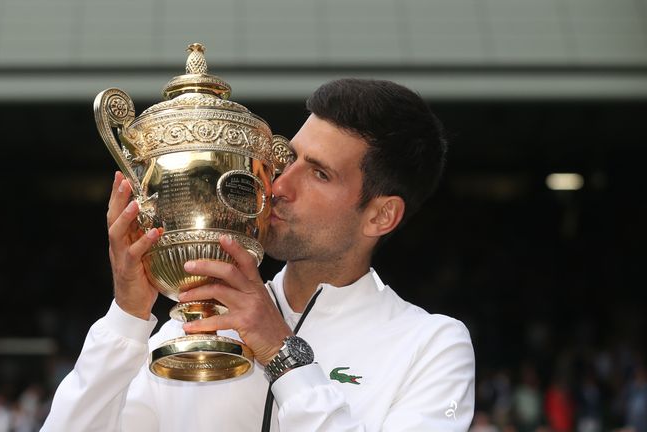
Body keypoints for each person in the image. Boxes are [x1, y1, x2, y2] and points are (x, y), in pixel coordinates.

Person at [42, 78, 475, 431]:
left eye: (320, 174)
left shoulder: (432, 346)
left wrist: (282, 353)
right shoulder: (194, 330)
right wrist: (127, 318)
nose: (280, 187)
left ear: (381, 216)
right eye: (289, 160)